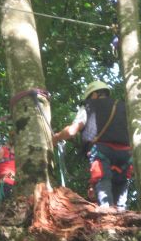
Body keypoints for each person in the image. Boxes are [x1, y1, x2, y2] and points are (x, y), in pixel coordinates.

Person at [53, 81, 132, 211]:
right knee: (121, 185)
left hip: (102, 151)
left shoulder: (88, 107)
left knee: (103, 181)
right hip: (125, 154)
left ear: (94, 94)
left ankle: (108, 215)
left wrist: (56, 138)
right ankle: (122, 214)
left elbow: (72, 131)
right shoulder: (124, 107)